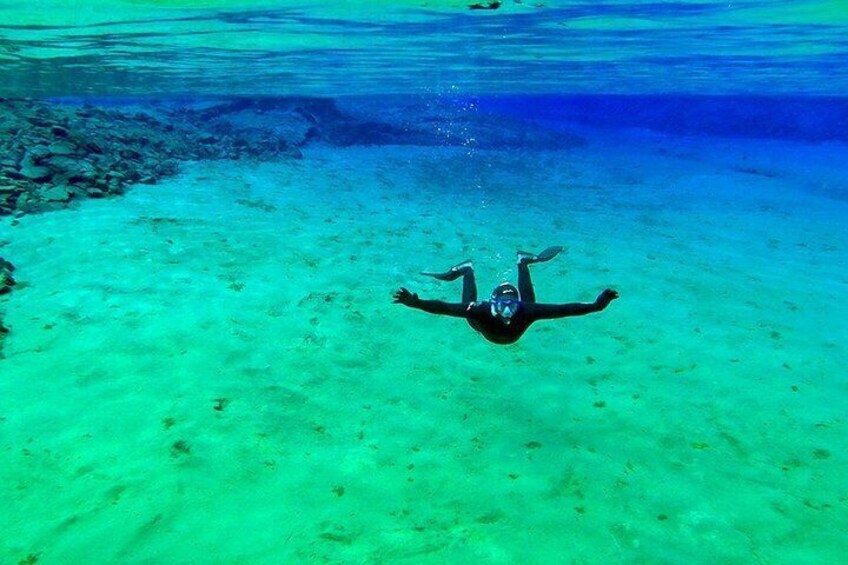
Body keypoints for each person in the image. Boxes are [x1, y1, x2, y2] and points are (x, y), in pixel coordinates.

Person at [392, 246, 618, 344]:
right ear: (492, 304)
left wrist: (597, 306)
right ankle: (466, 270)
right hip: (480, 323)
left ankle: (523, 264)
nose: (508, 310)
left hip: (521, 315)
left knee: (532, 307)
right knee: (467, 306)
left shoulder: (525, 310)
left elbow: (565, 309)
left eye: (512, 304)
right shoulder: (480, 310)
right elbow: (443, 307)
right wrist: (416, 303)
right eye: (502, 305)